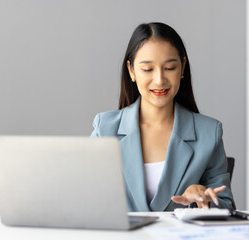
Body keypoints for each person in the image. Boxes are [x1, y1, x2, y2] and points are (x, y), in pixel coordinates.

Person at [91, 22, 235, 212]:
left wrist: (199, 200)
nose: (159, 80)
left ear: (182, 68)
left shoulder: (209, 132)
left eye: (169, 68)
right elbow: (87, 198)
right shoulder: (105, 129)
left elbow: (226, 205)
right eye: (147, 69)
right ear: (132, 71)